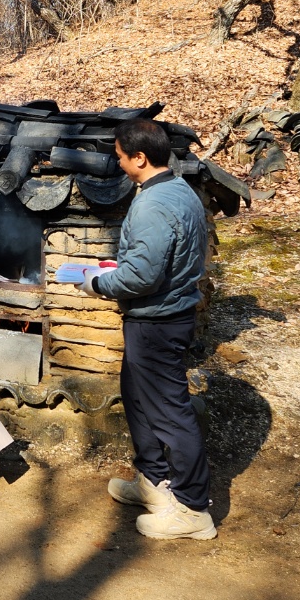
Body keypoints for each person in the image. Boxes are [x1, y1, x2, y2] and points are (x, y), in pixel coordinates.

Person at [76, 117, 214, 539]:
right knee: (138, 399)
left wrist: (97, 282)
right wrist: (124, 265)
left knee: (170, 412)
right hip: (156, 316)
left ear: (140, 157)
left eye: (121, 157)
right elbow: (155, 259)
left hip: (158, 321)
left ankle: (193, 510)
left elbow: (142, 277)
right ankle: (154, 482)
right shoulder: (176, 190)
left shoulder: (154, 204)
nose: (117, 164)